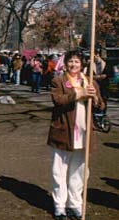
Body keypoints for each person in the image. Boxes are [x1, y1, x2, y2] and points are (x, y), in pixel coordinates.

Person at [47, 50, 104, 220]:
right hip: (63, 133)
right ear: (66, 64)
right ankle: (60, 206)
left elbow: (101, 106)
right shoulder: (59, 81)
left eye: (77, 62)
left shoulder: (90, 82)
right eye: (70, 61)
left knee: (78, 172)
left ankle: (75, 204)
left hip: (84, 134)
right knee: (59, 171)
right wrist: (79, 94)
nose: (73, 65)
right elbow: (58, 100)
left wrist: (94, 99)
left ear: (82, 64)